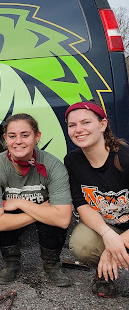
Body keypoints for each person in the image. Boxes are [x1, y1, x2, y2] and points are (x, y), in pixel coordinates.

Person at [0, 113, 72, 287]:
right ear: (5, 138)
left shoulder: (53, 165)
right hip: (22, 211)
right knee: (5, 211)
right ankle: (12, 263)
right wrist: (40, 210)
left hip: (42, 214)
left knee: (53, 222)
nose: (18, 141)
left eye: (25, 135)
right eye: (12, 136)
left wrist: (23, 203)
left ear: (37, 137)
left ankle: (51, 265)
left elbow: (63, 219)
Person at [65, 101, 129, 298]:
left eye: (86, 122)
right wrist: (107, 236)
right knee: (81, 244)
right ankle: (105, 275)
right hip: (109, 225)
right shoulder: (72, 161)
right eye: (72, 125)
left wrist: (115, 246)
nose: (79, 130)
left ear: (102, 125)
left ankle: (109, 264)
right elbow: (81, 204)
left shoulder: (125, 157)